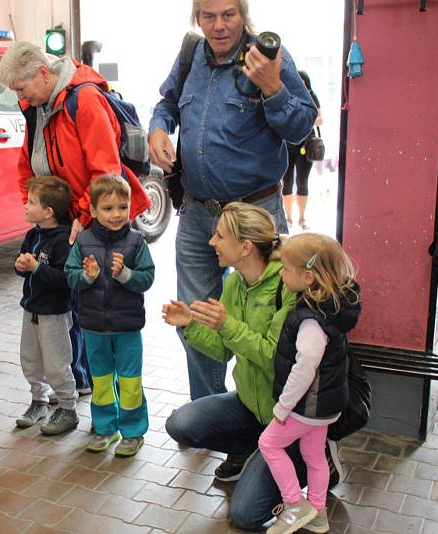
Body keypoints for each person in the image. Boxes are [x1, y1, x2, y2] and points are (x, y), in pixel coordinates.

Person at [148, 0, 318, 400]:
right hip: (197, 215)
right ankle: (210, 412)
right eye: (209, 16)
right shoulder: (190, 54)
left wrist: (273, 87)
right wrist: (158, 129)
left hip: (256, 216)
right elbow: (167, 105)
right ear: (197, 18)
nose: (219, 26)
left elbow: (301, 127)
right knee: (194, 318)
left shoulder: (267, 56)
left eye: (229, 15)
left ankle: (262, 414)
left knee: (267, 319)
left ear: (243, 15)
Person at [162, 203, 341, 530]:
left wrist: (227, 325)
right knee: (181, 424)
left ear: (245, 247)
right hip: (251, 404)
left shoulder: (287, 285)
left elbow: (274, 356)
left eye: (219, 236)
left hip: (291, 415)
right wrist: (189, 325)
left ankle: (313, 459)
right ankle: (251, 449)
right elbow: (222, 351)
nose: (211, 242)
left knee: (246, 515)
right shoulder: (233, 283)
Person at [0, 40, 152, 396]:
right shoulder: (37, 106)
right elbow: (28, 163)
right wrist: (35, 204)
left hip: (91, 218)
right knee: (70, 299)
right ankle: (81, 380)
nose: (21, 97)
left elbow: (105, 171)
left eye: (22, 88)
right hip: (63, 217)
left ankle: (101, 386)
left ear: (41, 72)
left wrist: (83, 215)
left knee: (92, 304)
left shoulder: (84, 101)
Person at [259, 233, 360, 534]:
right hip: (325, 407)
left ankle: (294, 505)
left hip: (306, 407)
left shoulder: (310, 320)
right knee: (314, 456)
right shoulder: (334, 308)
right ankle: (318, 513)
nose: (281, 273)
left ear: (307, 276)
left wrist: (283, 406)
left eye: (286, 269)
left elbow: (305, 368)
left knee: (268, 444)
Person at [65, 174, 155, 457]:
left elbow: (148, 277)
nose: (116, 214)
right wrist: (86, 276)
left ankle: (133, 432)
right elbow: (70, 276)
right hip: (93, 327)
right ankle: (104, 428)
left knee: (130, 382)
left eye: (122, 207)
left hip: (128, 327)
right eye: (107, 208)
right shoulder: (83, 241)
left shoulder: (137, 241)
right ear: (92, 210)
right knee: (101, 382)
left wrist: (126, 274)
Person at [14, 176, 79, 435]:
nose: (25, 206)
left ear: (48, 211)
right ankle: (38, 401)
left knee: (56, 363)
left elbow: (66, 280)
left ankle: (67, 408)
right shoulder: (33, 235)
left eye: (31, 202)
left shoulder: (64, 241)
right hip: (31, 310)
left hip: (54, 314)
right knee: (29, 359)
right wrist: (21, 267)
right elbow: (23, 266)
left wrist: (37, 268)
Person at [282, 71, 322, 230]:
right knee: (287, 182)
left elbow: (320, 119)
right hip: (287, 144)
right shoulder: (286, 95)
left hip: (306, 144)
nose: (301, 83)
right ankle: (289, 218)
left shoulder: (312, 96)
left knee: (302, 182)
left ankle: (302, 218)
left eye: (303, 80)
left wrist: (305, 119)